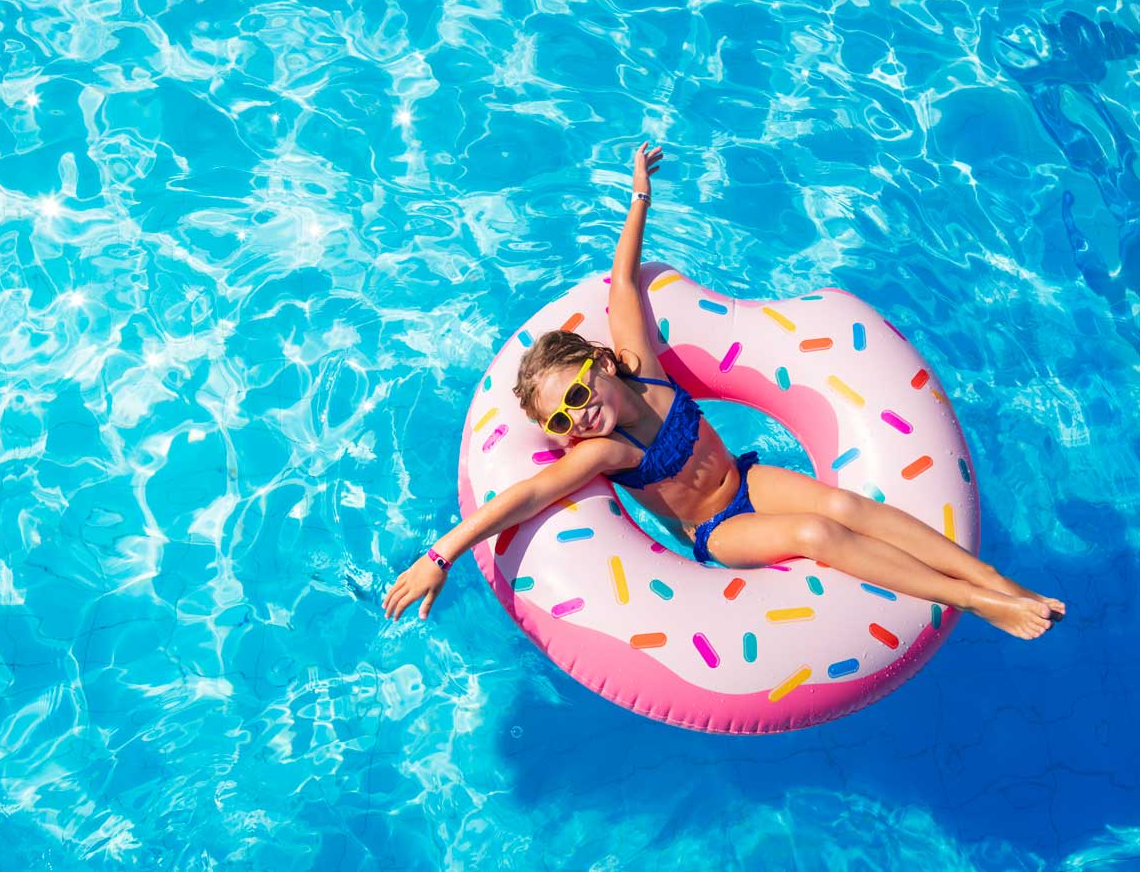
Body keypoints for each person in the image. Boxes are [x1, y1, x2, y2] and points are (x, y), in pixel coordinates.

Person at [382, 143, 1065, 638]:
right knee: (813, 530)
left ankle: (995, 581)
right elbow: (524, 494)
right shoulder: (607, 452)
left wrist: (639, 195)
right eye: (561, 417)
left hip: (747, 478)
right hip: (718, 526)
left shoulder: (640, 364)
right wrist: (439, 555)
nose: (575, 414)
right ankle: (970, 602)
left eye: (575, 391)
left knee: (839, 500)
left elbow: (621, 285)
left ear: (602, 366)